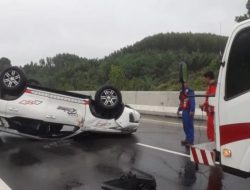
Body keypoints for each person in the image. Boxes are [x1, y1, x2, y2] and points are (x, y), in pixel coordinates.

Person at [199, 71, 216, 142]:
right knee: (210, 127)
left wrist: (203, 105)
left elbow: (211, 98)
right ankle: (212, 141)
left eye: (205, 78)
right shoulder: (211, 86)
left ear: (208, 77)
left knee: (211, 127)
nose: (204, 80)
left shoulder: (213, 86)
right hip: (210, 111)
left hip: (212, 111)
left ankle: (213, 142)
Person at [177, 82, 195, 148]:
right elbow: (182, 101)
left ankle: (191, 142)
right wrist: (179, 109)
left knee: (189, 126)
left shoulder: (190, 91)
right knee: (185, 126)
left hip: (189, 111)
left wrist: (192, 110)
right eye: (183, 83)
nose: (184, 84)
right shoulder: (182, 92)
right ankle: (187, 139)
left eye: (185, 83)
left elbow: (192, 101)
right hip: (184, 111)